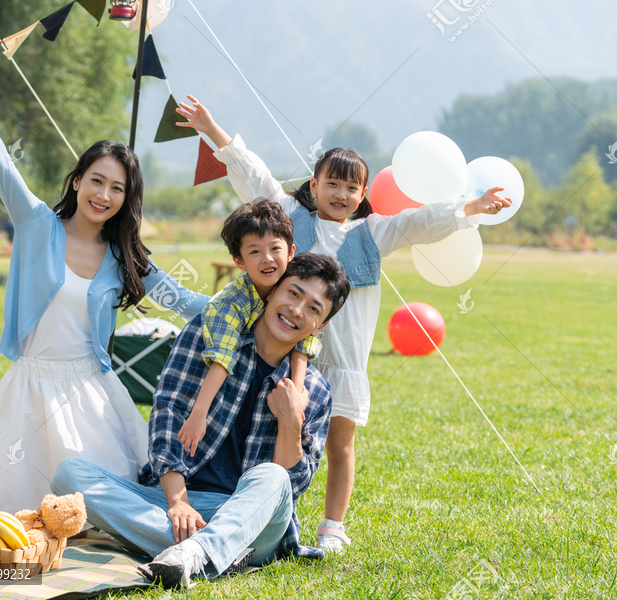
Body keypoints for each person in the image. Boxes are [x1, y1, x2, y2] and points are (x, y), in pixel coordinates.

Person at [176, 94, 512, 552]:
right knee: (275, 432)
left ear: (362, 195)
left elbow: (419, 222)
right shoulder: (291, 220)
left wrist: (470, 208)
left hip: (342, 363)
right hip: (286, 358)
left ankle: (332, 525)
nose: (341, 195)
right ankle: (267, 508)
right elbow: (253, 174)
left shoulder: (372, 233)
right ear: (313, 186)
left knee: (339, 444)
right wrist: (212, 130)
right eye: (332, 184)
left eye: (351, 188)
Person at [0, 41, 210, 514]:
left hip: (90, 392)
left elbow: (184, 301)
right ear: (77, 181)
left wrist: (257, 294)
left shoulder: (124, 256)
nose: (104, 194)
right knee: (7, 515)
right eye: (97, 180)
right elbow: (1, 163)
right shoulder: (37, 225)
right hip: (28, 390)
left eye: (118, 188)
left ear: (126, 200)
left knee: (100, 514)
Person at [52, 254, 351, 589]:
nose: (297, 311)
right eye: (293, 294)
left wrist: (292, 418)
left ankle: (190, 548)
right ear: (271, 291)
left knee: (272, 476)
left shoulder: (315, 391)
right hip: (178, 498)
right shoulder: (209, 335)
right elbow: (168, 414)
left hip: (251, 516)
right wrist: (178, 502)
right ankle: (205, 550)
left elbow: (287, 489)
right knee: (70, 477)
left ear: (320, 326)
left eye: (314, 308)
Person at [177, 199, 321, 458]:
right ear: (239, 261)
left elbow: (306, 338)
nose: (267, 259)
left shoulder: (296, 287)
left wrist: (296, 395)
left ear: (290, 252)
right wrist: (198, 414)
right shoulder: (230, 304)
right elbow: (222, 357)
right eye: (254, 252)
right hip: (228, 378)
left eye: (275, 248)